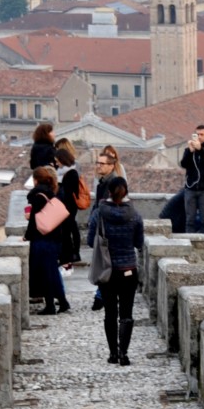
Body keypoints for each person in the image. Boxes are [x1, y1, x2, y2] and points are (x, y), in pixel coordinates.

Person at [87, 176, 144, 365]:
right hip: (128, 269)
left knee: (110, 312)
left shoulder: (99, 214)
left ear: (108, 192)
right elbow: (139, 243)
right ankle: (124, 354)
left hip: (107, 270)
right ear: (126, 191)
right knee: (126, 313)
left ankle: (112, 353)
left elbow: (89, 241)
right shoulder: (135, 214)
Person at [24, 166, 70, 314]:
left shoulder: (37, 196)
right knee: (52, 272)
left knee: (45, 274)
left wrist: (27, 236)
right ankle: (62, 302)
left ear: (35, 180)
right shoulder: (51, 193)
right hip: (55, 238)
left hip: (42, 239)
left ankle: (50, 305)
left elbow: (34, 221)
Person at [89, 146, 124, 311]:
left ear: (111, 166)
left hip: (108, 230)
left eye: (102, 164)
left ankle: (101, 297)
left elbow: (107, 207)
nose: (98, 166)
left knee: (105, 264)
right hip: (102, 228)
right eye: (97, 163)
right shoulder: (103, 182)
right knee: (104, 264)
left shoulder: (113, 182)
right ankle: (102, 295)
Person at [180, 124, 204, 234]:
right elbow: (183, 164)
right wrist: (190, 151)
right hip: (190, 189)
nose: (199, 137)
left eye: (202, 134)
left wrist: (201, 149)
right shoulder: (189, 150)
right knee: (189, 219)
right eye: (197, 135)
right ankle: (189, 240)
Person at [54, 138, 84, 268]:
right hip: (68, 206)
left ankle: (70, 256)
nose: (56, 163)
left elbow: (68, 192)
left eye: (57, 160)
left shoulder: (71, 173)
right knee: (69, 229)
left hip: (68, 206)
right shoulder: (68, 171)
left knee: (68, 230)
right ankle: (71, 255)